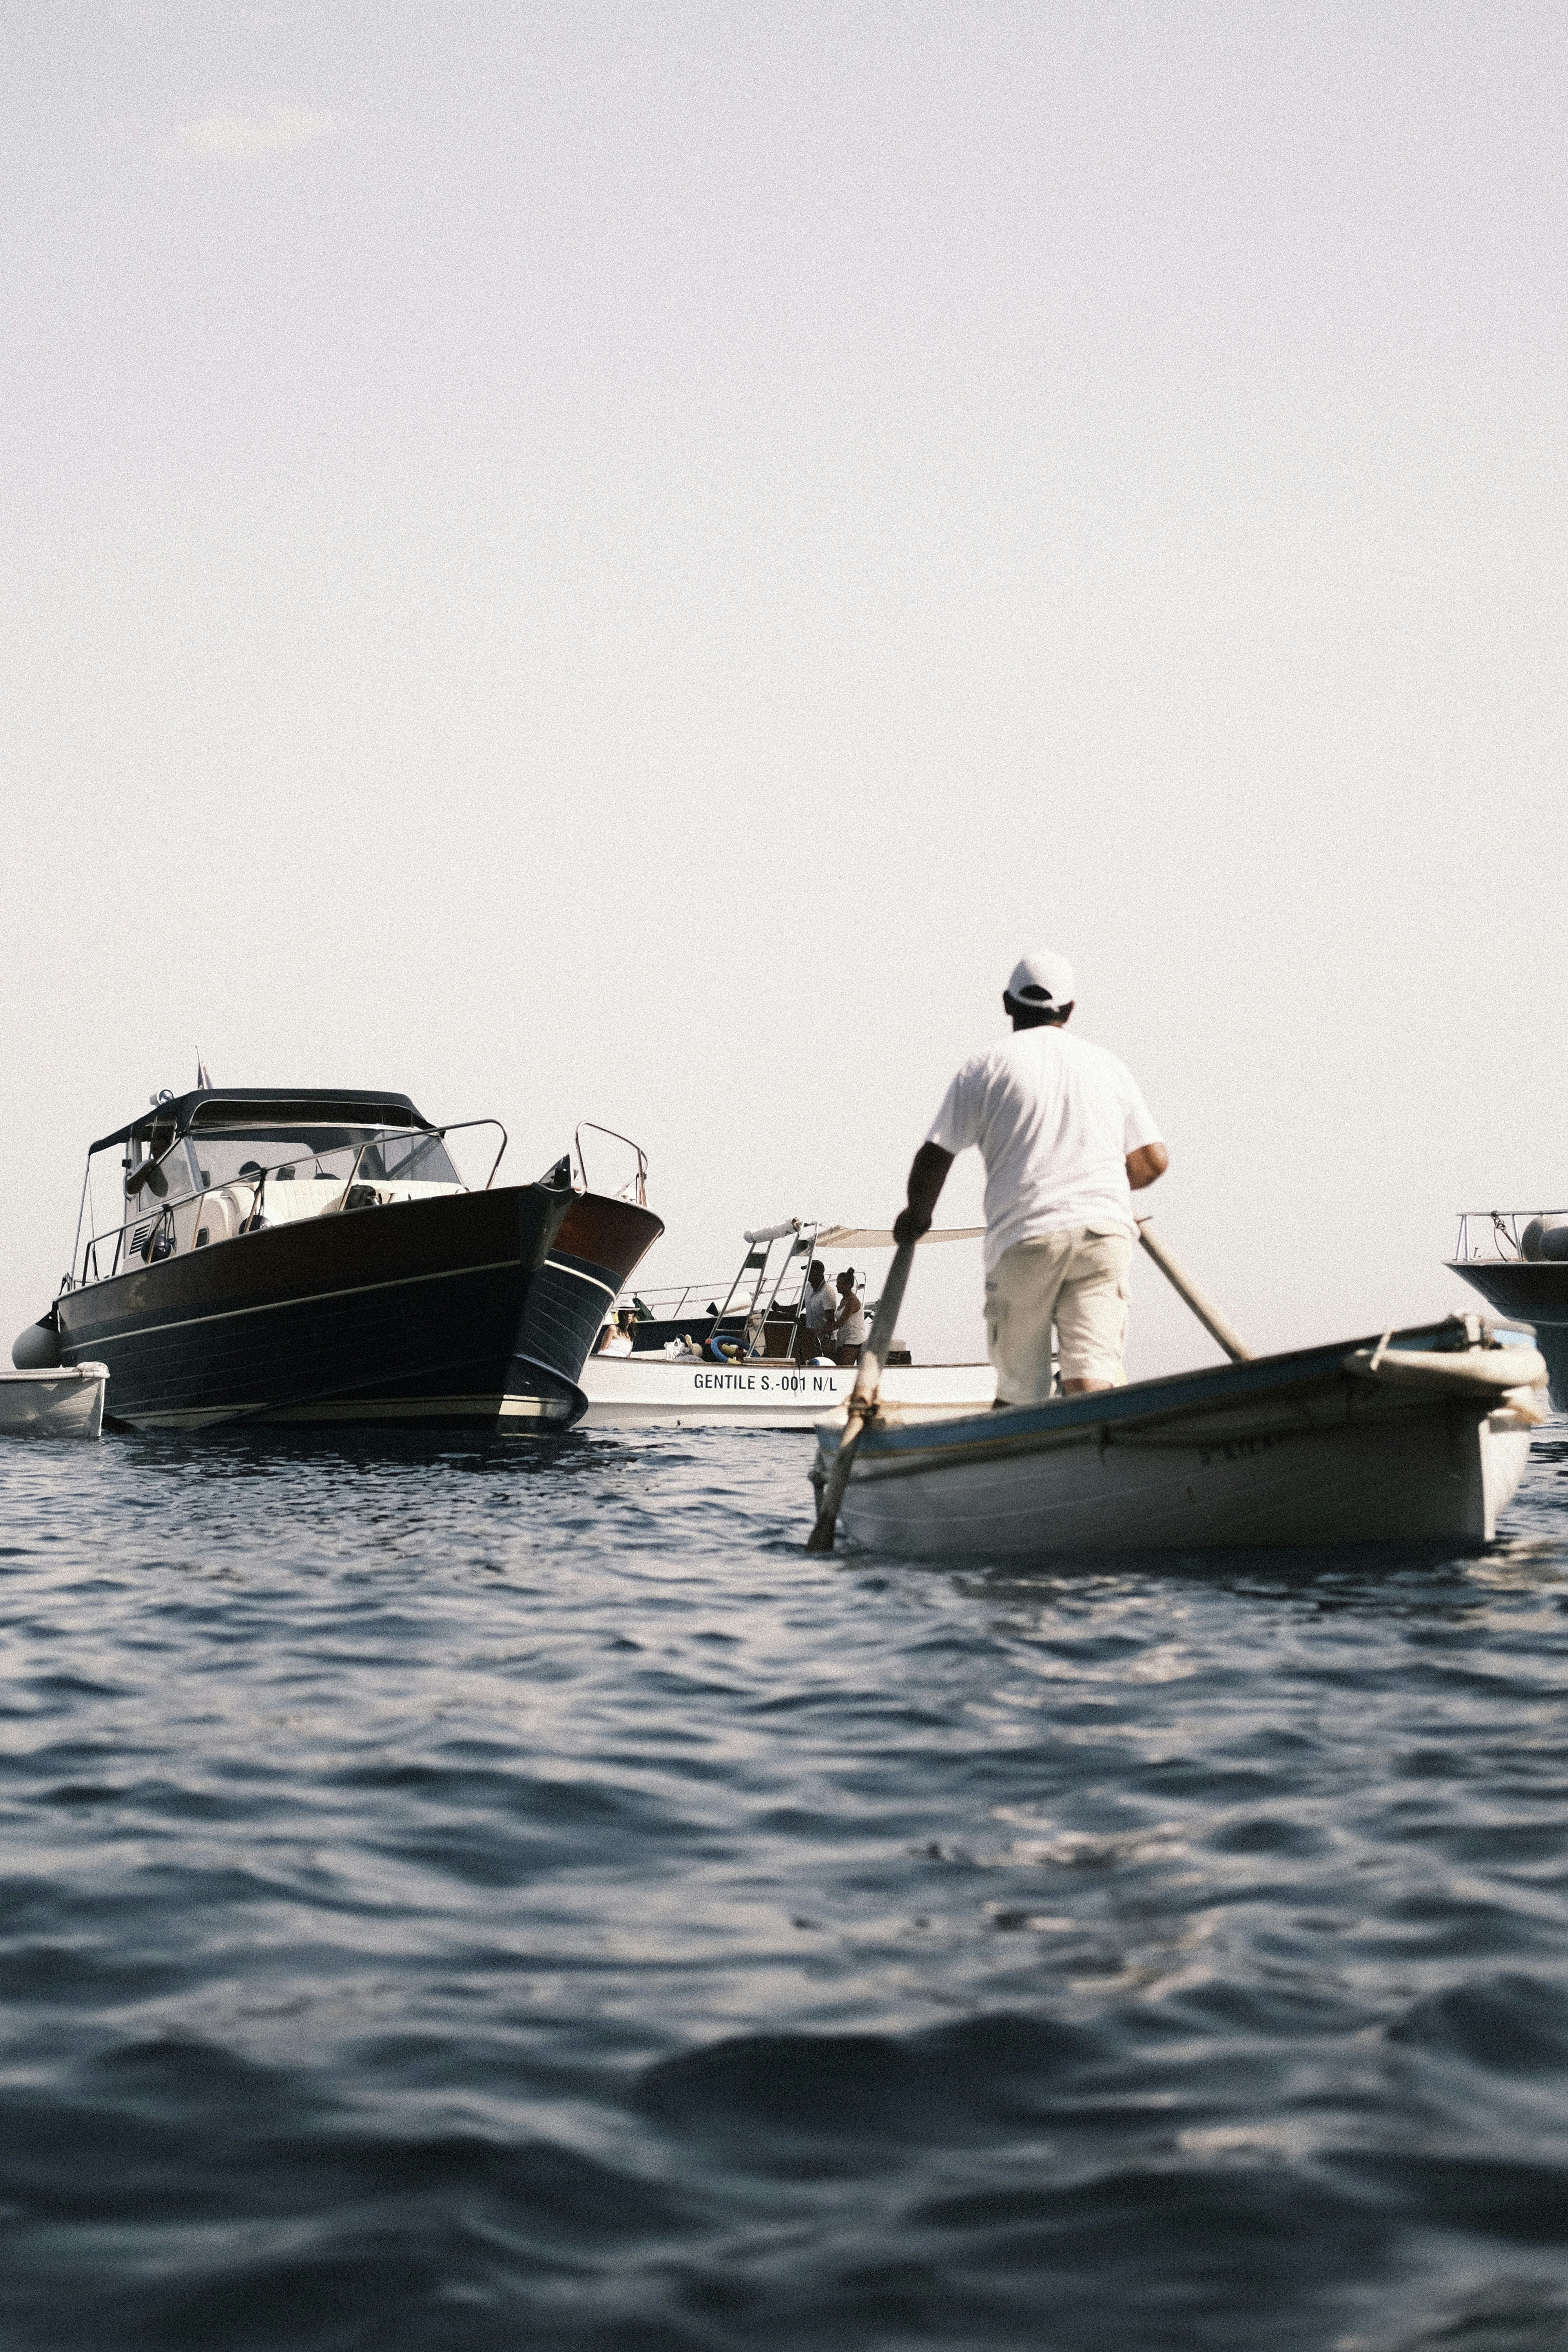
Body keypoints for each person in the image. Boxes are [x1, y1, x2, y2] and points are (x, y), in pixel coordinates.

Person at [892, 950, 1168, 1405]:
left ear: (1007, 1003)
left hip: (1027, 1237)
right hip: (1105, 1233)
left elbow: (934, 1156)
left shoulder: (985, 1067)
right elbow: (1153, 1161)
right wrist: (1098, 1181)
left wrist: (916, 1217)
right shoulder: (1108, 1065)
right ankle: (1094, 1450)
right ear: (1070, 1010)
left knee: (1020, 1391)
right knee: (1092, 1379)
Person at [796, 1260, 838, 1363]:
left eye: (809, 1272)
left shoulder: (827, 1292)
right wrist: (779, 1308)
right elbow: (800, 1307)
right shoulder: (809, 1287)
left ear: (818, 1273)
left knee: (824, 1365)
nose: (808, 1275)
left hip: (825, 1340)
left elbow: (831, 1320)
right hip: (812, 1337)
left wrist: (827, 1340)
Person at [831, 1269, 866, 1366]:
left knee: (844, 1368)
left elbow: (841, 1322)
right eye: (837, 1283)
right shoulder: (843, 1300)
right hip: (843, 1338)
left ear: (849, 1285)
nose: (837, 1286)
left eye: (841, 1284)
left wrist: (822, 1330)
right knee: (837, 1365)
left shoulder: (852, 1301)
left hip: (854, 1339)